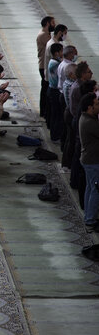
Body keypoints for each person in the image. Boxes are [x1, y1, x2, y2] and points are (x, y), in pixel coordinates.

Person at [79, 93, 99, 232]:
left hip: (88, 159)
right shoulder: (90, 123)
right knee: (96, 190)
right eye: (97, 104)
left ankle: (88, 215)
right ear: (90, 107)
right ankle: (90, 219)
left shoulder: (86, 117)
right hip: (93, 161)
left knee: (90, 188)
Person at [37, 16, 55, 118]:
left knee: (45, 88)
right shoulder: (43, 35)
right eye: (53, 22)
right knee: (45, 89)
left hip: (45, 65)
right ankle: (44, 111)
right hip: (44, 66)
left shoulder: (46, 34)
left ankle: (44, 111)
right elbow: (53, 46)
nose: (54, 24)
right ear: (47, 23)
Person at [46, 43, 64, 141]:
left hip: (52, 90)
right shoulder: (55, 64)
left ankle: (55, 134)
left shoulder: (53, 61)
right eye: (62, 51)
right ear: (57, 53)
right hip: (54, 92)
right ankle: (55, 135)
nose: (63, 53)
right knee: (57, 115)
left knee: (55, 114)